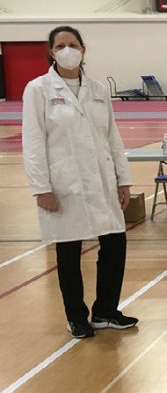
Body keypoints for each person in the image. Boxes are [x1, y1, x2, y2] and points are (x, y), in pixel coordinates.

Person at [22, 26, 137, 339]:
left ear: (83, 49)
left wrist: (123, 180)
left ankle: (105, 311)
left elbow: (113, 138)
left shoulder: (99, 90)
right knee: (69, 251)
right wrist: (41, 188)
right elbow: (32, 142)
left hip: (101, 181)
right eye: (61, 45)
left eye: (73, 44)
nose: (67, 50)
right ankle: (76, 316)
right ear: (51, 52)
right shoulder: (38, 89)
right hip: (64, 186)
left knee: (115, 243)